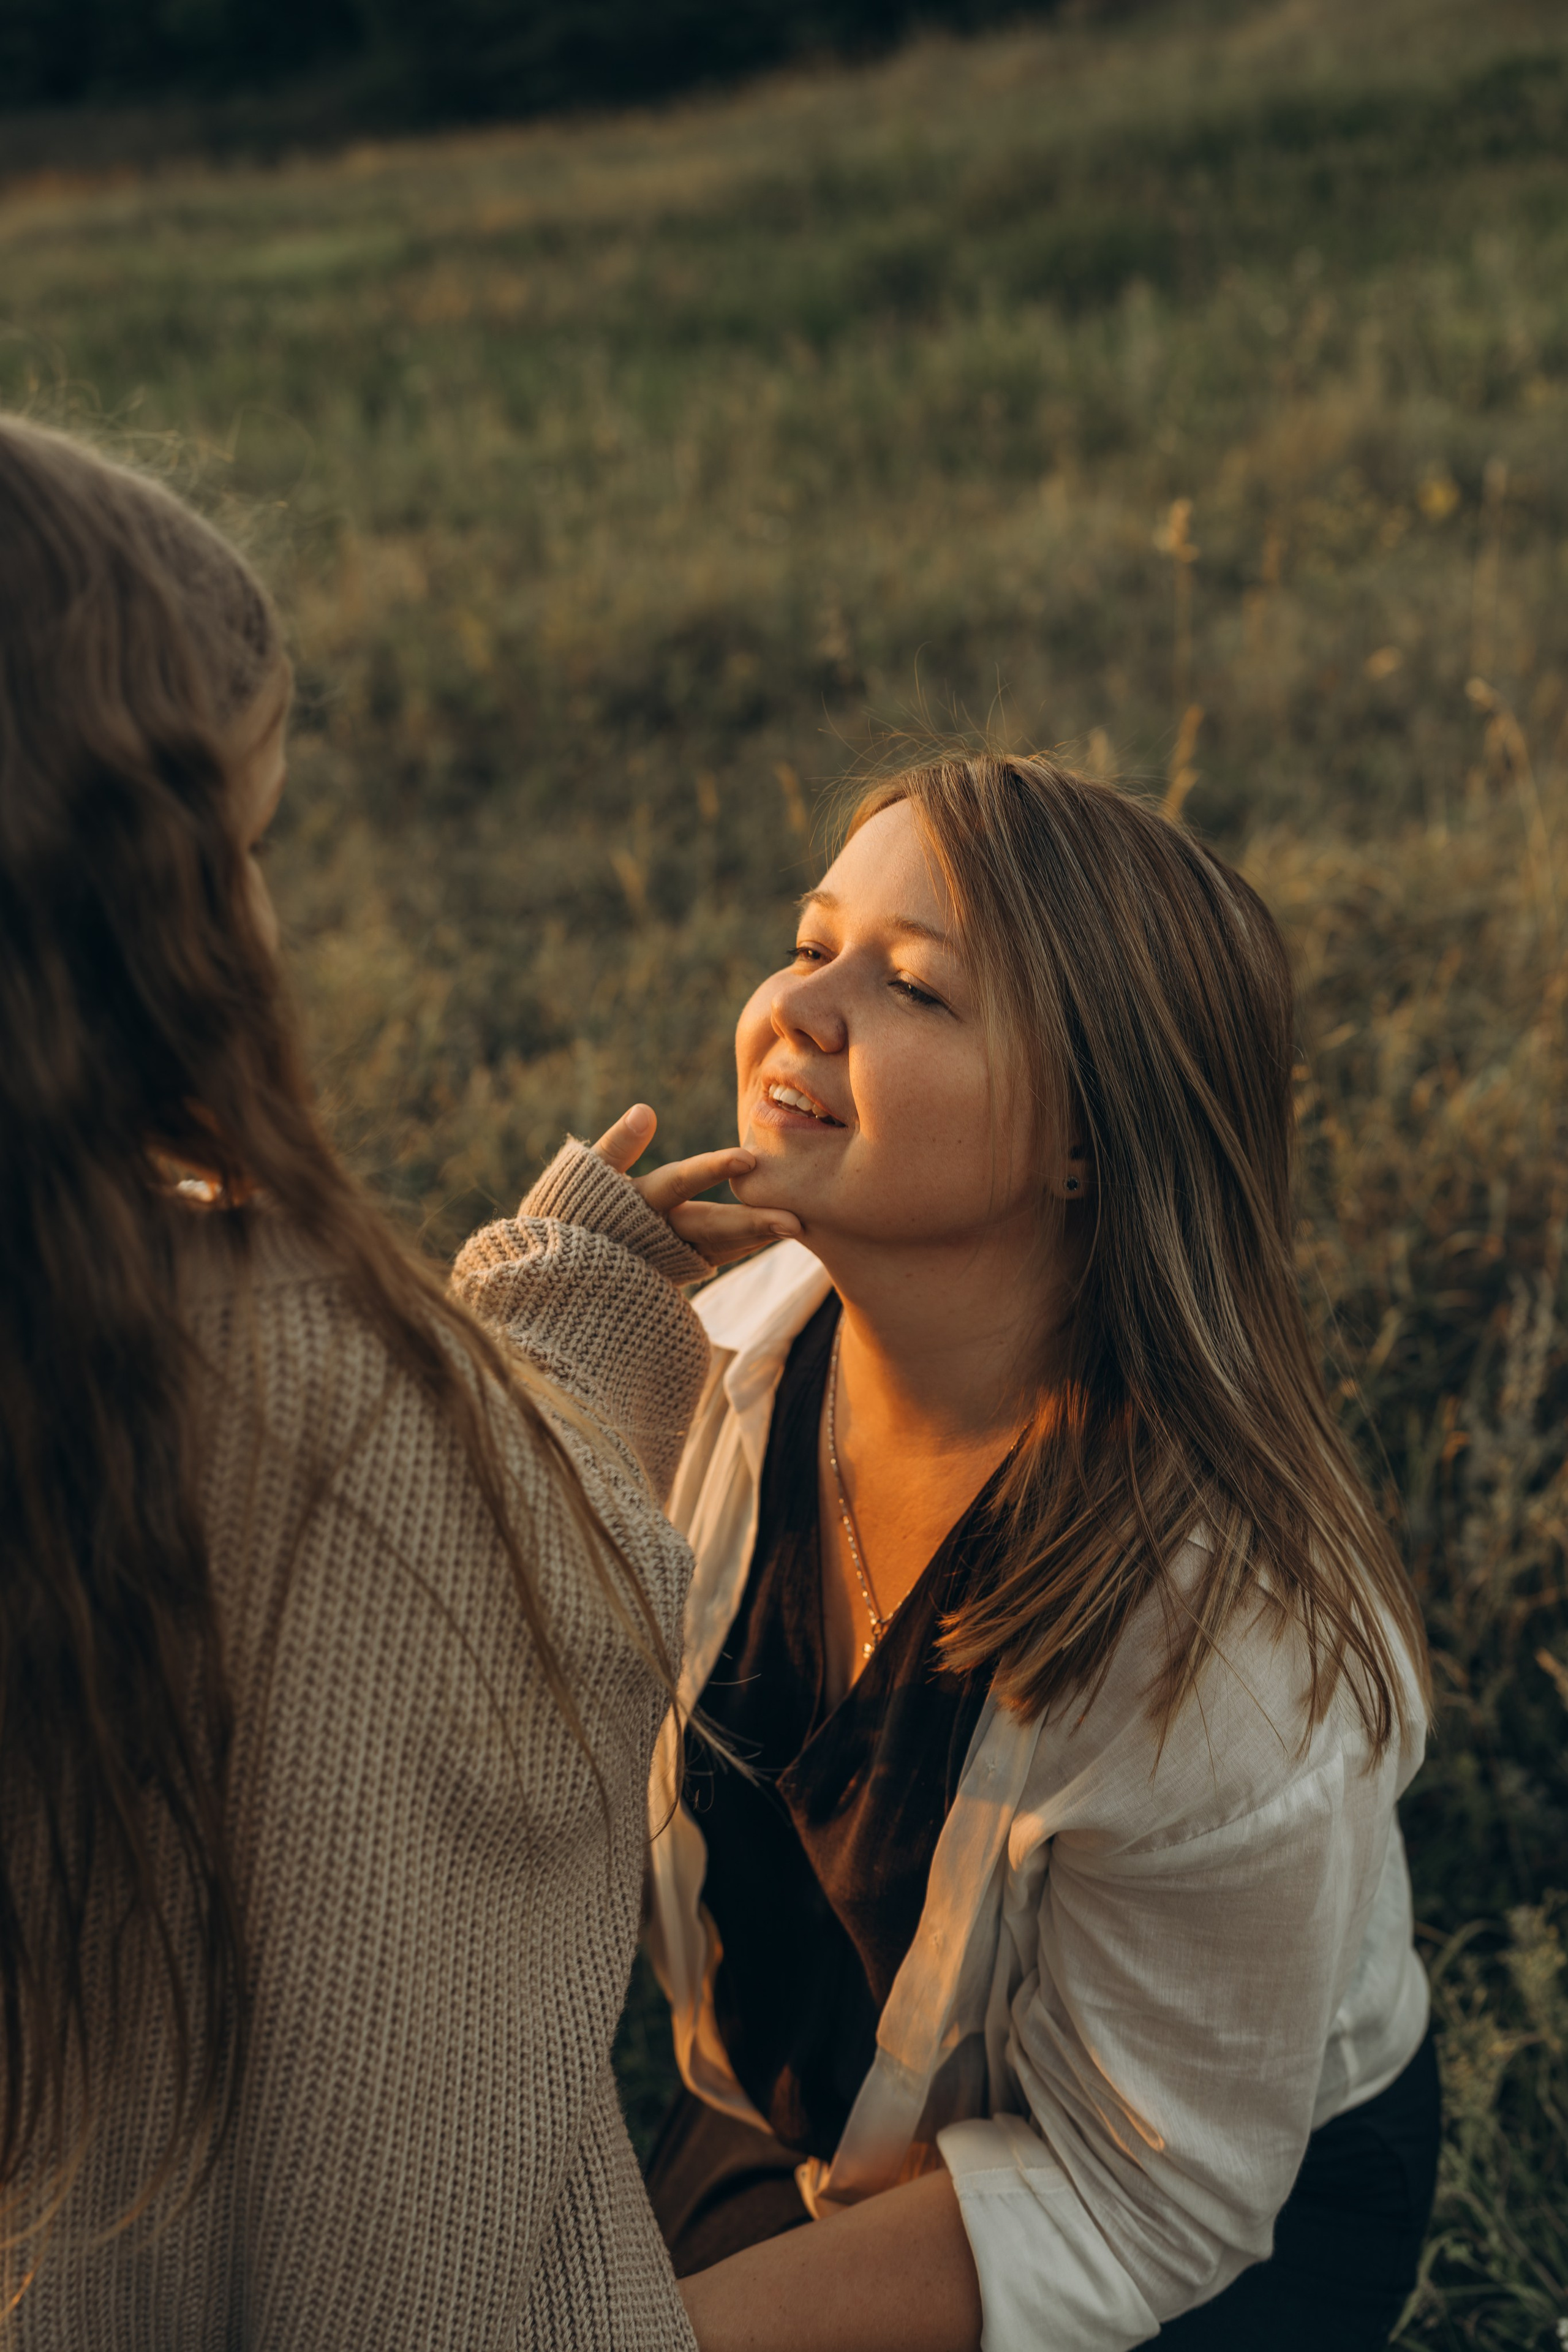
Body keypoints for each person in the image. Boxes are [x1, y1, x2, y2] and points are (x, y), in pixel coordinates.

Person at [0, 417, 801, 2348]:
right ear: (133, 906)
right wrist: (571, 1328)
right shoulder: (301, 1393)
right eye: (248, 848)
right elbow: (441, 1635)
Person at [643, 753, 1439, 2352]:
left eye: (917, 989)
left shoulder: (1225, 1641)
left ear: (1088, 1136)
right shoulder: (706, 1362)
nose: (804, 1007)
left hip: (1183, 2218)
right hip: (811, 2107)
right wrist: (527, 1344)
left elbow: (1148, 2193)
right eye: (812, 945)